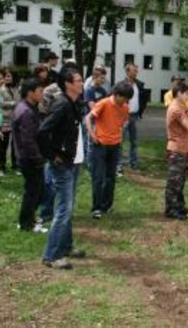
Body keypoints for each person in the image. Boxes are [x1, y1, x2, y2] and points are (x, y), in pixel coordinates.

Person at [38, 68, 87, 269]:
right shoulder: (62, 104)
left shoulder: (75, 104)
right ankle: (52, 255)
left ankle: (66, 246)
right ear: (67, 84)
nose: (82, 83)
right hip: (63, 165)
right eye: (78, 80)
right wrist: (53, 156)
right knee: (63, 210)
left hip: (74, 162)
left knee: (68, 208)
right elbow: (42, 132)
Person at [85, 82, 133, 219]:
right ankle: (96, 208)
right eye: (124, 99)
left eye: (127, 100)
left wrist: (120, 131)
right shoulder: (104, 103)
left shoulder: (125, 108)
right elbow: (88, 118)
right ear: (117, 95)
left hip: (115, 145)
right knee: (98, 177)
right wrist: (92, 134)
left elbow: (123, 122)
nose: (125, 102)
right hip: (100, 144)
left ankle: (107, 206)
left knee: (110, 178)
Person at [12, 78, 48, 233]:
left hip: (31, 157)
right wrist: (38, 158)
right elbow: (28, 140)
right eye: (40, 91)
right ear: (30, 93)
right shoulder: (26, 111)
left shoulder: (31, 107)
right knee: (33, 191)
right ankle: (26, 223)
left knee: (37, 190)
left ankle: (30, 218)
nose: (42, 94)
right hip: (29, 158)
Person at [164, 82, 188, 220]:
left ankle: (179, 207)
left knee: (181, 181)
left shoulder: (181, 107)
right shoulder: (176, 109)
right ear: (179, 93)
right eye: (186, 93)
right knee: (174, 182)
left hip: (182, 149)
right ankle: (171, 209)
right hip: (176, 149)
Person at [118, 63, 147, 171]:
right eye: (134, 70)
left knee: (134, 141)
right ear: (128, 72)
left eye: (136, 70)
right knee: (120, 140)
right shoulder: (121, 85)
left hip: (134, 115)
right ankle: (118, 165)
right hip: (123, 116)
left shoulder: (138, 84)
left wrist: (141, 111)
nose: (136, 72)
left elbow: (143, 98)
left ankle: (133, 163)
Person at [0, 68, 18, 176]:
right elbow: (0, 103)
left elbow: (20, 101)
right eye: (6, 76)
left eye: (10, 76)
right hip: (4, 120)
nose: (8, 78)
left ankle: (15, 165)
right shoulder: (0, 89)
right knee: (3, 145)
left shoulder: (15, 89)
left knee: (15, 144)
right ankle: (1, 167)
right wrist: (13, 103)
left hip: (15, 120)